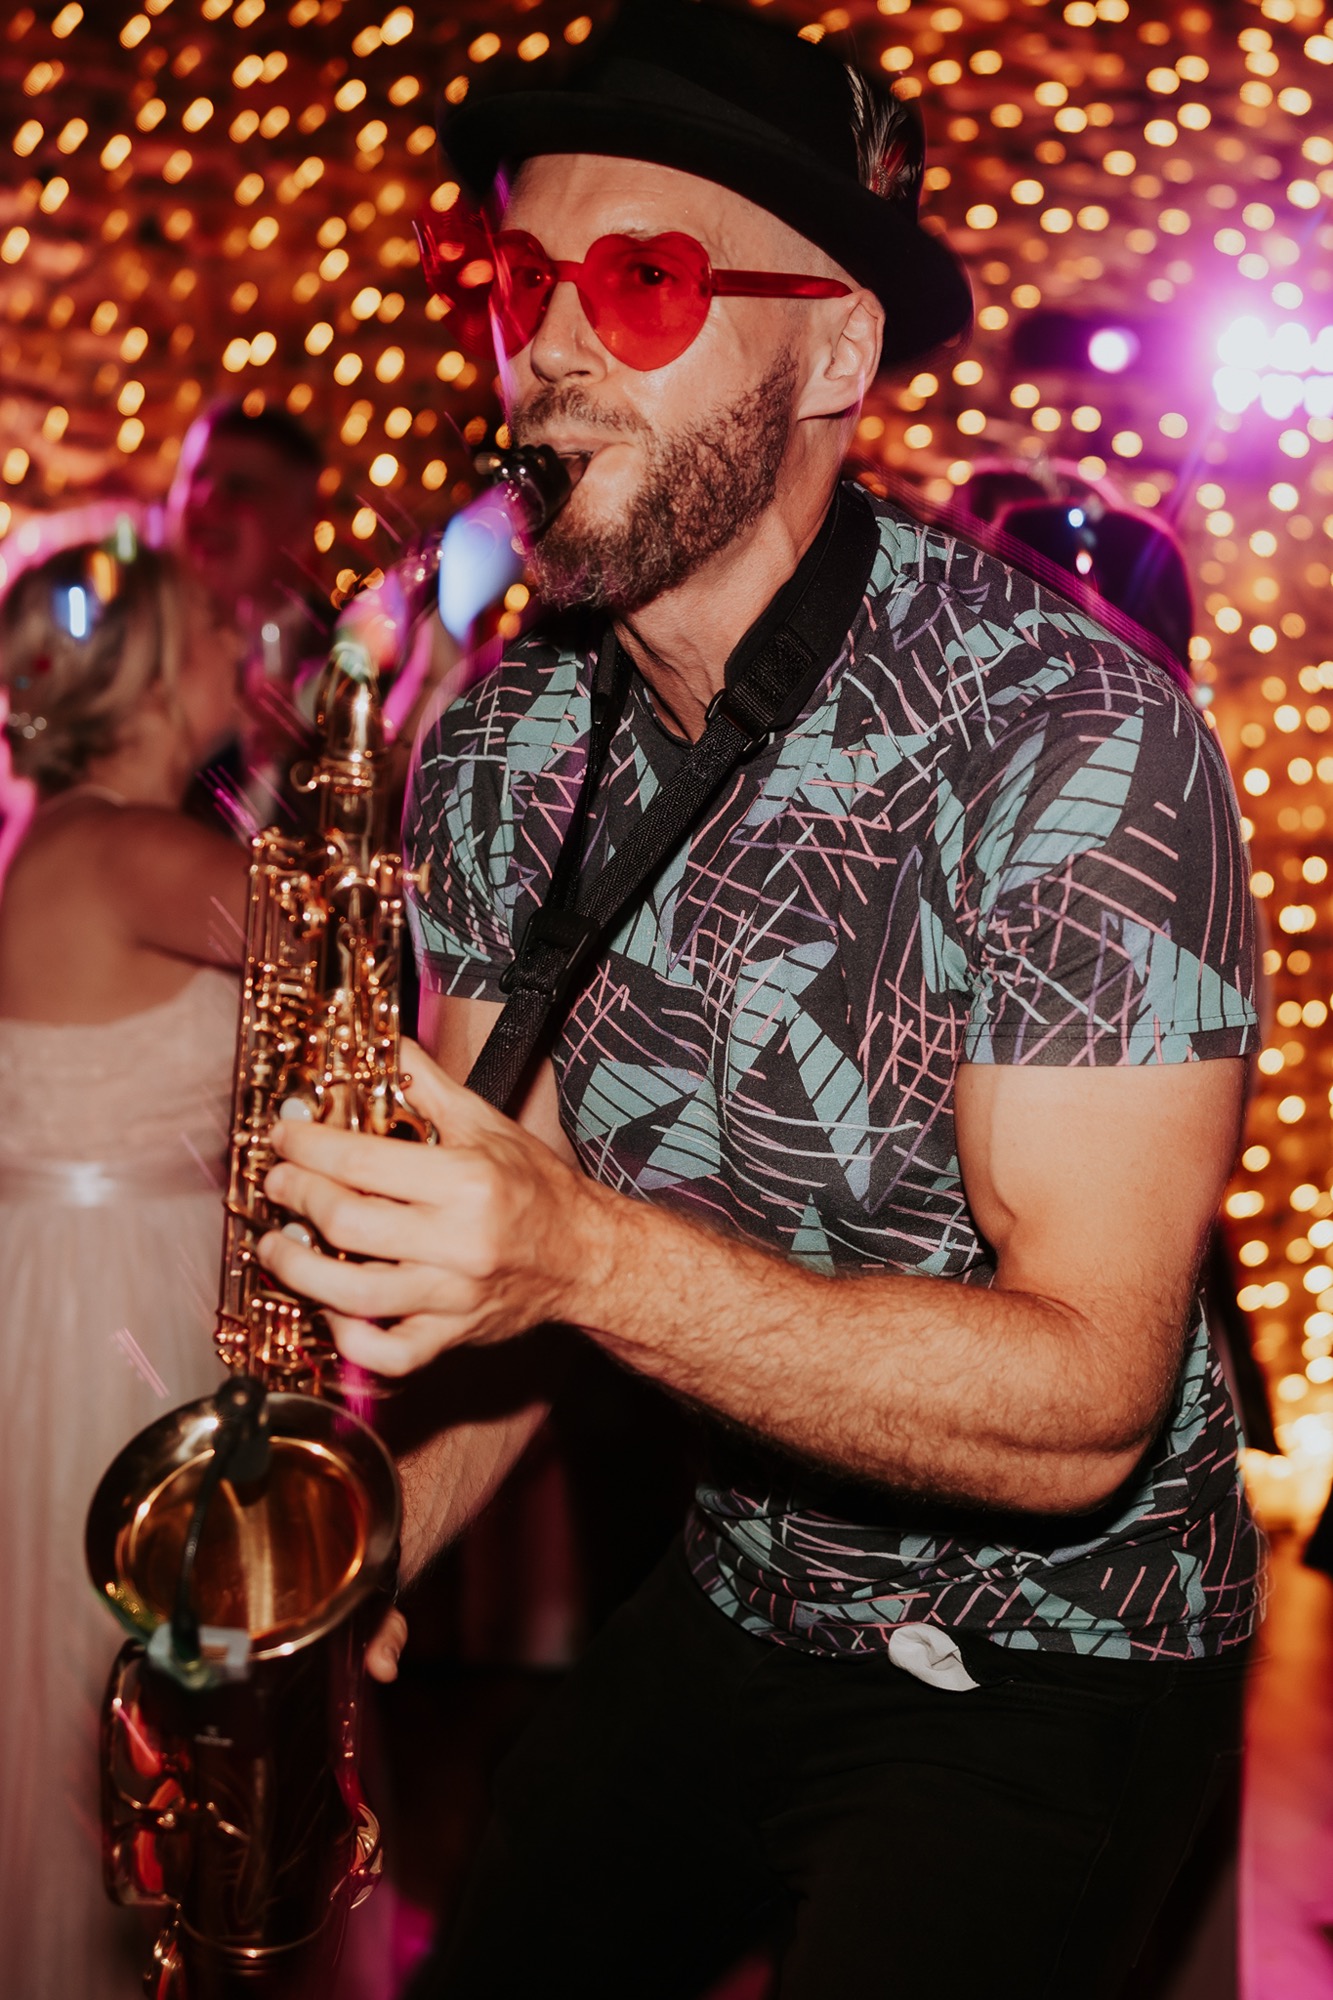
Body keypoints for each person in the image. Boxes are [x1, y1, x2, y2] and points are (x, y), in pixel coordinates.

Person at [256, 5, 1264, 1996]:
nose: (541, 347)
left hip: (1054, 1655)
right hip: (737, 1588)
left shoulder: (1075, 741)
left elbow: (1085, 1398)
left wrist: (580, 1258)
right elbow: (508, 1274)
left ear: (829, 353)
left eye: (635, 286)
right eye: (514, 284)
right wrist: (353, 1543)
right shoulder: (504, 741)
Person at [0, 532, 247, 1998]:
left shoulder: (63, 833)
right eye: (214, 625)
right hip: (123, 1315)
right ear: (152, 679)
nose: (242, 642)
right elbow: (359, 952)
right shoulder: (148, 853)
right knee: (157, 1714)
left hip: (57, 1289)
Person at [166, 398, 328, 833]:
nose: (206, 501)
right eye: (196, 477)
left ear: (300, 528)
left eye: (240, 488)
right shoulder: (140, 655)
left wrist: (299, 759)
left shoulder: (353, 664)